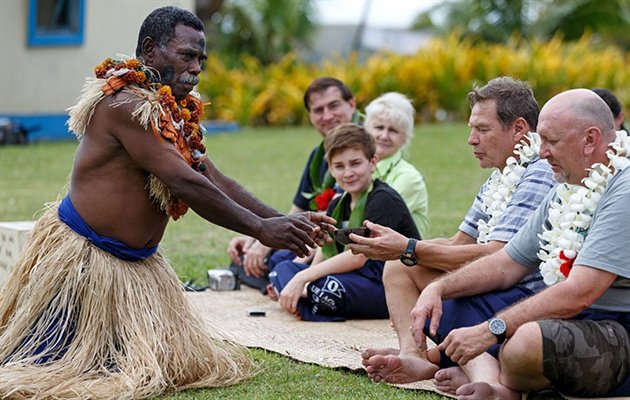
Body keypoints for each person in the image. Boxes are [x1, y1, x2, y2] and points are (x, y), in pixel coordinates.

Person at [0, 6, 334, 399]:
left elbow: (214, 178)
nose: (196, 68)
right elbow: (183, 180)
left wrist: (283, 220)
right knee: (54, 373)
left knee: (143, 369)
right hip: (85, 266)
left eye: (201, 60)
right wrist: (261, 230)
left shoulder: (171, 112)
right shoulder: (124, 104)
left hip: (135, 270)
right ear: (150, 50)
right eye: (187, 56)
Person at [404, 88, 630, 399]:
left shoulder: (624, 188)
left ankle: (502, 381)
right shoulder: (569, 186)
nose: (541, 152)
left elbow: (580, 292)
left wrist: (489, 330)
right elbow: (505, 263)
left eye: (551, 141)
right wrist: (438, 289)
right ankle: (500, 382)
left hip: (619, 327)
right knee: (453, 306)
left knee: (524, 343)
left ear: (590, 139)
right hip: (572, 318)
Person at [350, 77, 556, 383]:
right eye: (472, 129)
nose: (471, 139)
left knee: (425, 275)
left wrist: (409, 248)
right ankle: (414, 355)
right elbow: (458, 241)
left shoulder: (538, 170)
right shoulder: (500, 175)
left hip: (522, 297)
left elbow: (500, 256)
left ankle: (474, 368)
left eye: (482, 129)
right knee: (399, 267)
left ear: (519, 129)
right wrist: (400, 249)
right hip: (495, 288)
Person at [268, 123, 420, 321]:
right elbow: (325, 248)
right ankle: (306, 298)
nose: (348, 173)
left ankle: (305, 299)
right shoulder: (339, 202)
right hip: (352, 276)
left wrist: (303, 278)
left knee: (328, 287)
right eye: (339, 166)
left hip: (384, 280)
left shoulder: (383, 199)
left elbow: (358, 257)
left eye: (355, 163)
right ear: (330, 169)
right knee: (282, 267)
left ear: (372, 162)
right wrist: (307, 275)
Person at [227, 77, 358, 285]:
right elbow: (297, 210)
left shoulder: (365, 150)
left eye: (334, 106)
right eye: (318, 110)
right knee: (250, 259)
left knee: (279, 263)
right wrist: (258, 237)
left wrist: (267, 242)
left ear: (352, 104)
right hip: (313, 236)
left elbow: (339, 214)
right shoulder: (319, 154)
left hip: (342, 244)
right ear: (311, 116)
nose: (328, 116)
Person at [365, 92, 430, 239]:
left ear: (405, 137)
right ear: (367, 129)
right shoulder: (358, 169)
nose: (384, 136)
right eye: (379, 127)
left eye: (393, 130)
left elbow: (372, 230)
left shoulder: (409, 177)